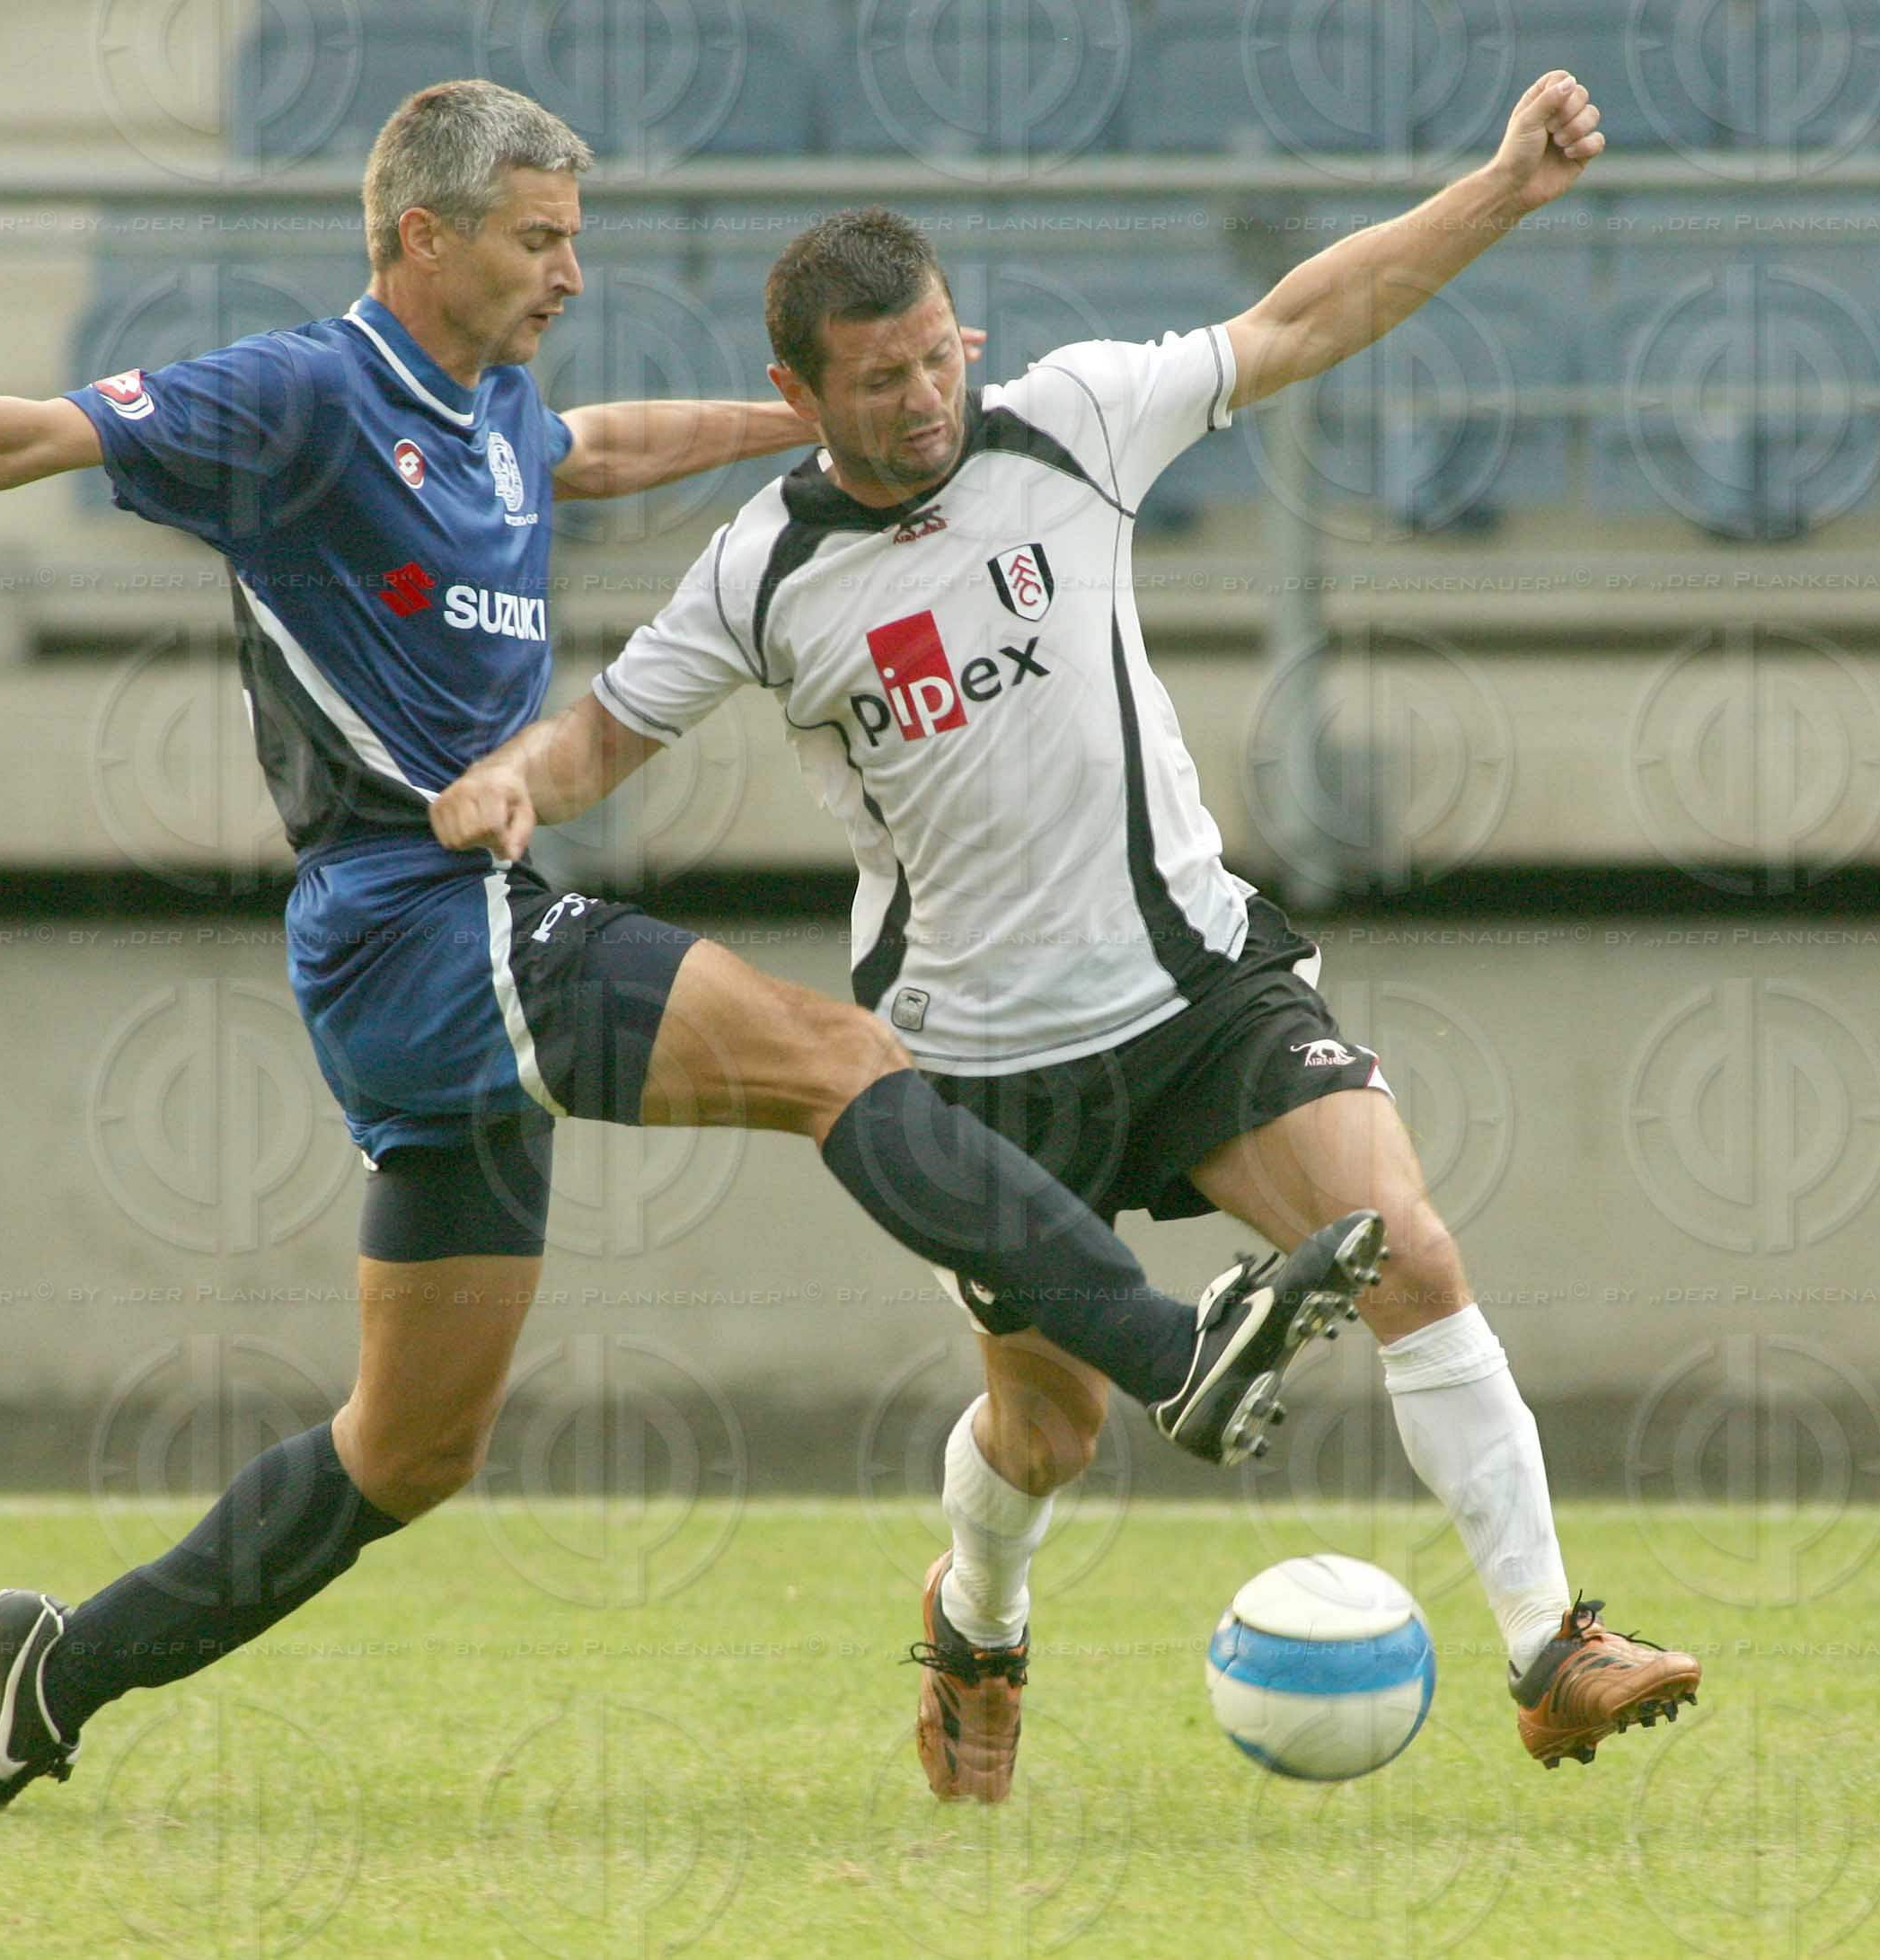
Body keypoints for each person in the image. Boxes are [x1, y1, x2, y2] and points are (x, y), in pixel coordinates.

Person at [0, 79, 1388, 1814]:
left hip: (438, 954)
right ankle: (1172, 1350)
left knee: (411, 1448)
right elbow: (29, 430)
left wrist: (805, 424)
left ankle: (58, 1671)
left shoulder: (492, 414)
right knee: (844, 1058)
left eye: (575, 235)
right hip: (415, 920)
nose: (571, 269)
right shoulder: (296, 395)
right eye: (539, 236)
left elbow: (603, 447)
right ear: (421, 233)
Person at [431, 72, 1700, 1800]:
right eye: (878, 378)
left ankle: (1552, 1649)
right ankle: (977, 1621)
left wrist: (1498, 190)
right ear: (799, 392)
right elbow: (607, 733)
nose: (924, 395)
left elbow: (1301, 312)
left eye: (939, 352)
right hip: (975, 1064)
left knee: (1405, 1247)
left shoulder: (1075, 419)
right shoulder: (758, 572)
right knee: (1051, 1430)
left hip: (1197, 989)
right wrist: (517, 781)